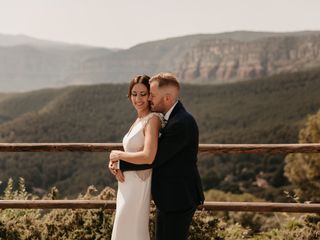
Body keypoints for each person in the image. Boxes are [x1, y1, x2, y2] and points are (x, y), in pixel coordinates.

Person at [110, 72, 205, 240]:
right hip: (170, 196)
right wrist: (117, 163)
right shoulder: (173, 118)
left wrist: (120, 162)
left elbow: (153, 158)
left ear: (167, 98)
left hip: (178, 197)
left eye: (151, 95)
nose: (149, 99)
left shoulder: (180, 123)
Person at [108, 74, 163, 240]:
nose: (138, 99)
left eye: (143, 94)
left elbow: (148, 156)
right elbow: (132, 153)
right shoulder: (139, 119)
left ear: (150, 96)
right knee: (123, 230)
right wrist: (116, 164)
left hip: (138, 185)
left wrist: (118, 155)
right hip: (126, 184)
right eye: (134, 94)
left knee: (131, 231)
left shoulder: (152, 120)